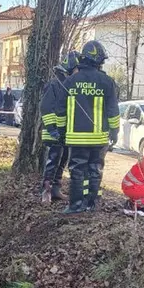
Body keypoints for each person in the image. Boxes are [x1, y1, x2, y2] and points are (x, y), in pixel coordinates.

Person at [54, 40, 121, 214]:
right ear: (99, 61)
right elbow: (113, 111)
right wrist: (115, 132)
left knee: (77, 171)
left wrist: (61, 132)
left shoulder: (70, 82)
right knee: (95, 170)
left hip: (76, 138)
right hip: (99, 138)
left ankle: (76, 205)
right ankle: (92, 203)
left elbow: (60, 110)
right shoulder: (107, 82)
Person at [40, 51, 79, 204]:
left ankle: (56, 189)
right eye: (77, 69)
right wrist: (52, 129)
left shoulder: (69, 84)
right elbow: (46, 107)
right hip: (54, 133)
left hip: (64, 132)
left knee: (62, 160)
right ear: (70, 68)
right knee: (52, 161)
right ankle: (46, 191)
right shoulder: (55, 84)